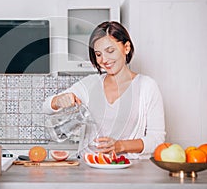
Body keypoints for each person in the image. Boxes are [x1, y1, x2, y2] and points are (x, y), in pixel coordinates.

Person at [43, 21, 165, 159]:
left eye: (110, 51)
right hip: (89, 168)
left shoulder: (147, 87)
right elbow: (46, 107)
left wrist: (120, 146)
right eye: (98, 54)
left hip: (128, 168)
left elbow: (157, 139)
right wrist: (58, 101)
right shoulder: (90, 84)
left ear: (126, 47)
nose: (104, 60)